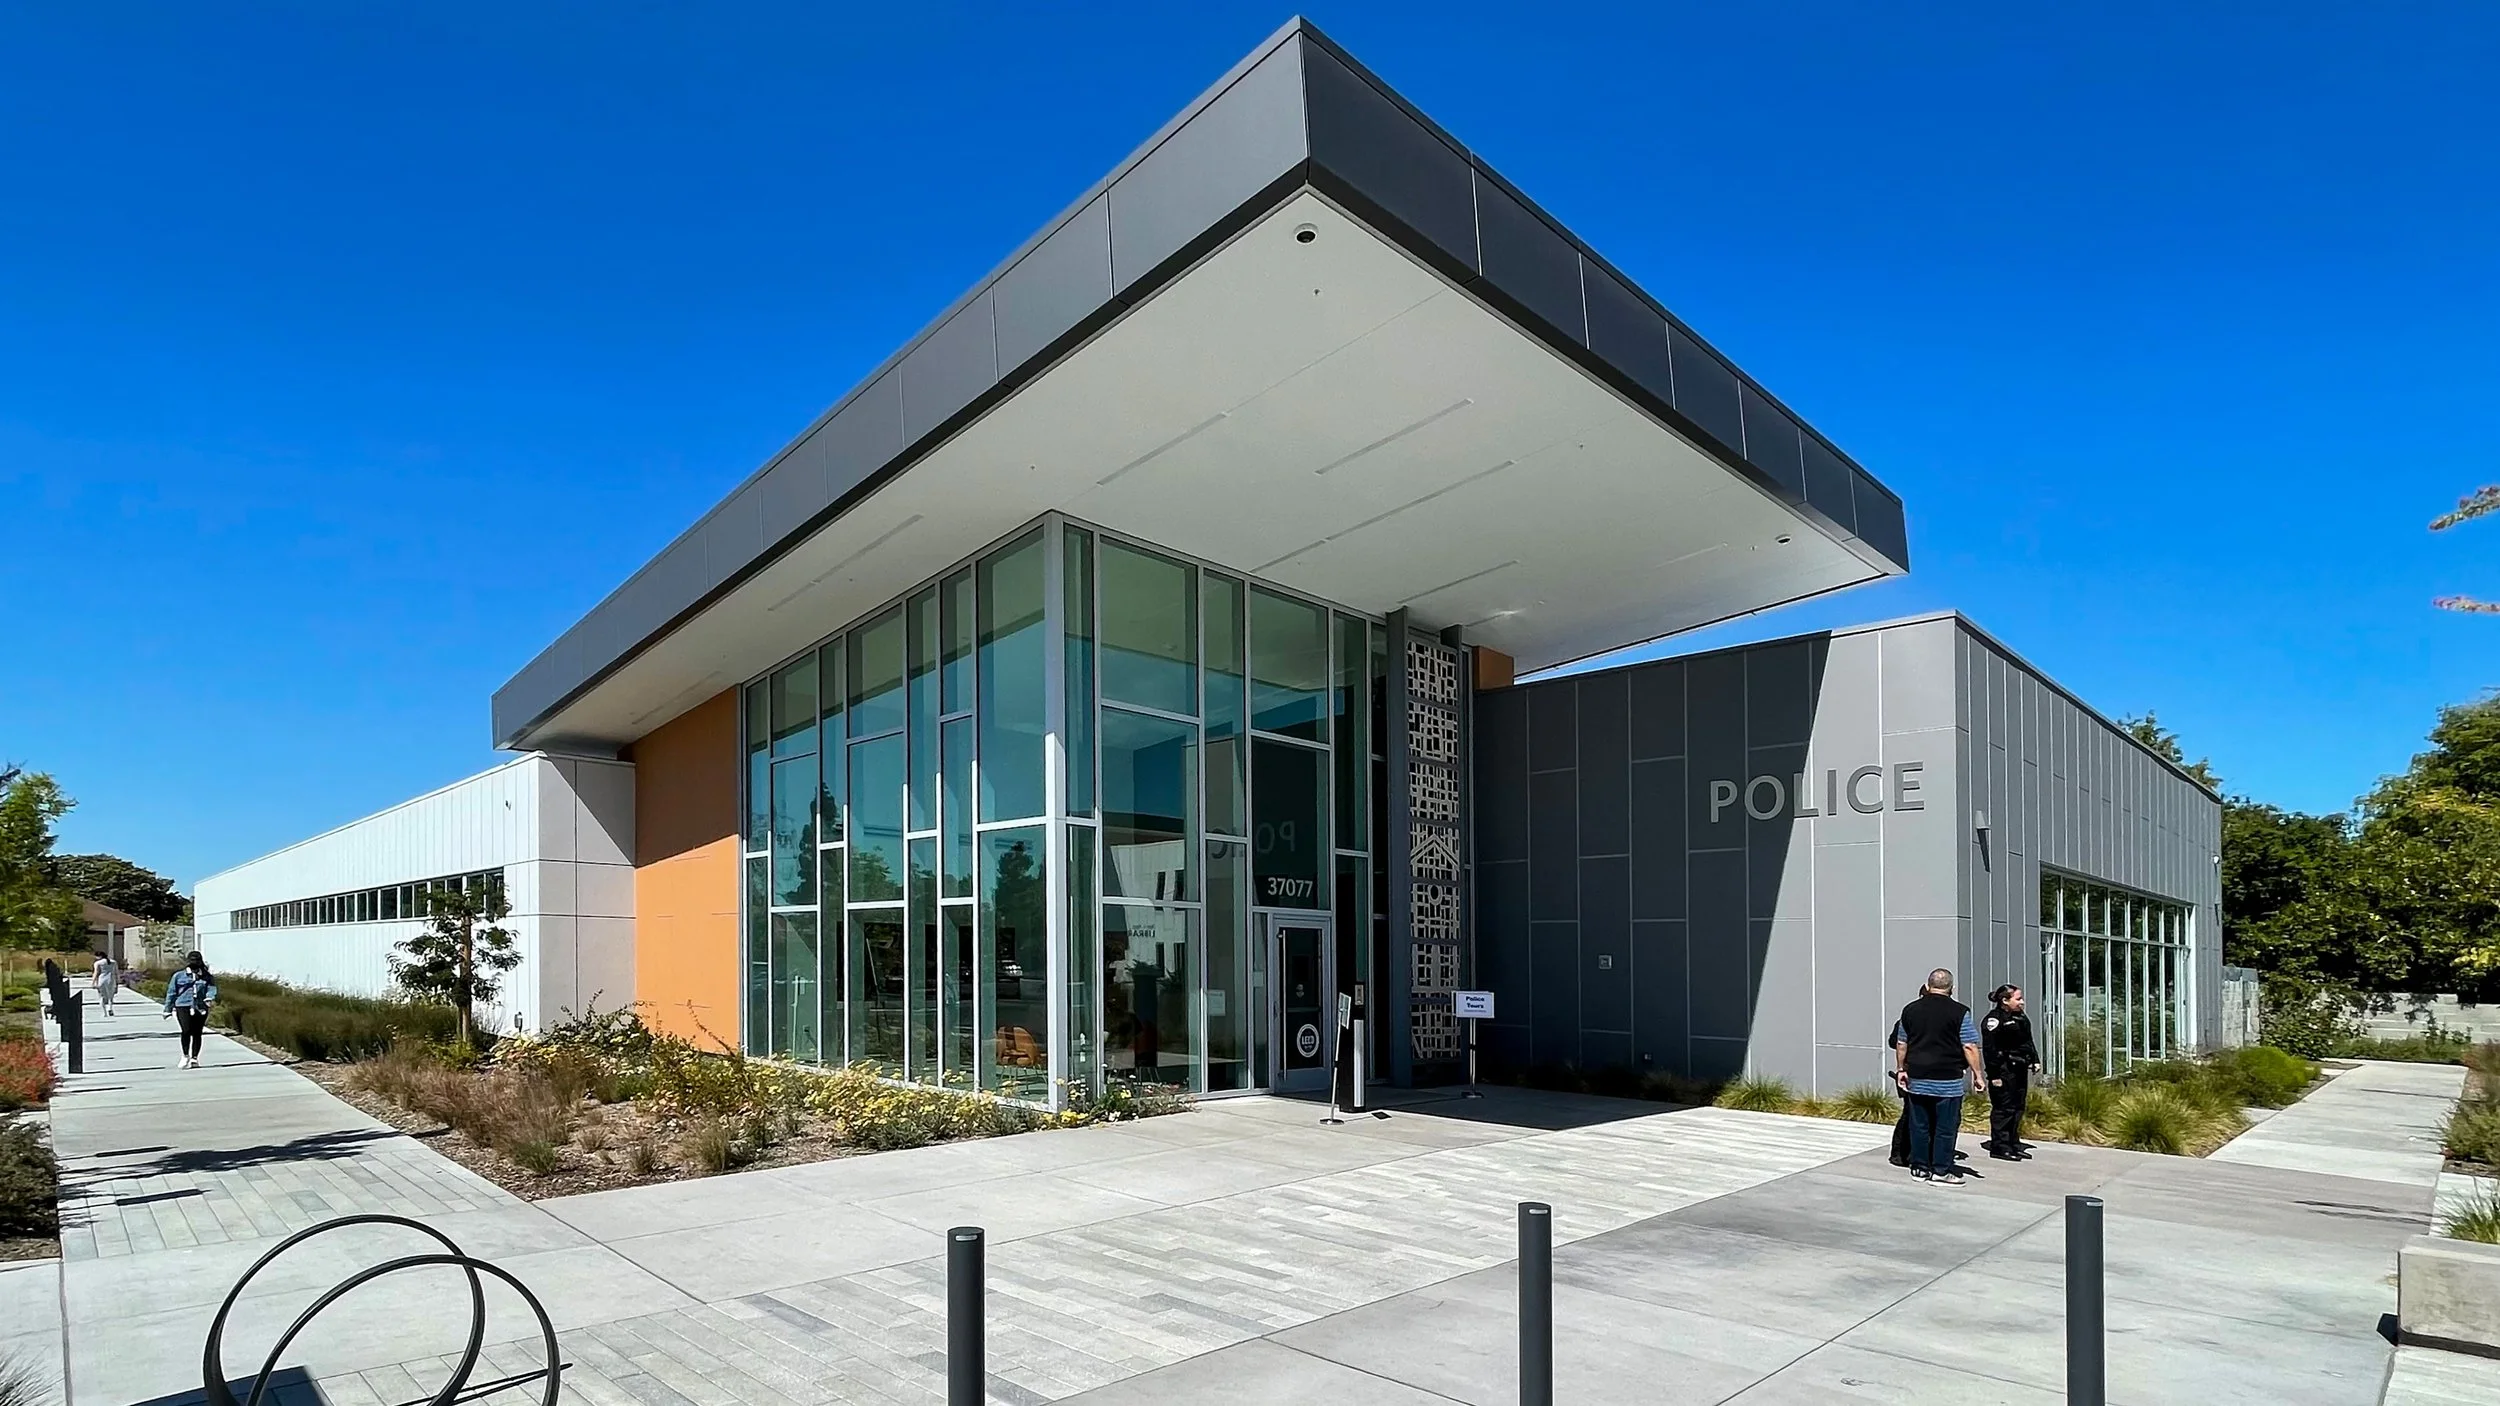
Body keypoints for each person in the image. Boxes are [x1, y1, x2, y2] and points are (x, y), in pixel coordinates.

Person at [1893, 968, 1984, 1185]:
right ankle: (1941, 1171)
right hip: (1948, 1080)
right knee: (1945, 1127)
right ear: (1952, 988)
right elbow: (1969, 1045)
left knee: (1919, 1126)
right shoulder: (1960, 1012)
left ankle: (1919, 1168)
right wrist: (1978, 1075)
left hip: (1918, 1077)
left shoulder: (1910, 1010)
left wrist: (1901, 1069)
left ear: (1927, 985)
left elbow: (1901, 1043)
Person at [1982, 984, 2042, 1161]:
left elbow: (2027, 1041)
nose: (2022, 1002)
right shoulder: (1994, 1020)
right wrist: (1994, 1076)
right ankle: (2000, 1146)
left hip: (2019, 1067)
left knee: (2017, 1107)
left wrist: (2034, 1059)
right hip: (2003, 1070)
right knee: (2004, 1108)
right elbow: (1990, 1050)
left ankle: (2013, 1142)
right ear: (2005, 1001)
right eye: (2018, 998)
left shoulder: (2021, 1017)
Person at [161, 950, 219, 1069]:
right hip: (183, 1005)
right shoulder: (178, 976)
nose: (194, 963)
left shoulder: (206, 976)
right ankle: (185, 1055)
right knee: (186, 1030)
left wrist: (209, 998)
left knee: (197, 1032)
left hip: (200, 1007)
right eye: (192, 960)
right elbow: (171, 992)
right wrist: (167, 1009)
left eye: (196, 961)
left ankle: (194, 1058)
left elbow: (211, 989)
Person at [90, 951, 120, 1016]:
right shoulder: (113, 962)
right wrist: (117, 982)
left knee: (102, 996)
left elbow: (96, 973)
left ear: (99, 956)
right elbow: (116, 972)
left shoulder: (98, 963)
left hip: (101, 980)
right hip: (111, 980)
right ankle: (110, 1008)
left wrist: (93, 982)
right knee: (110, 996)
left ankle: (104, 1013)